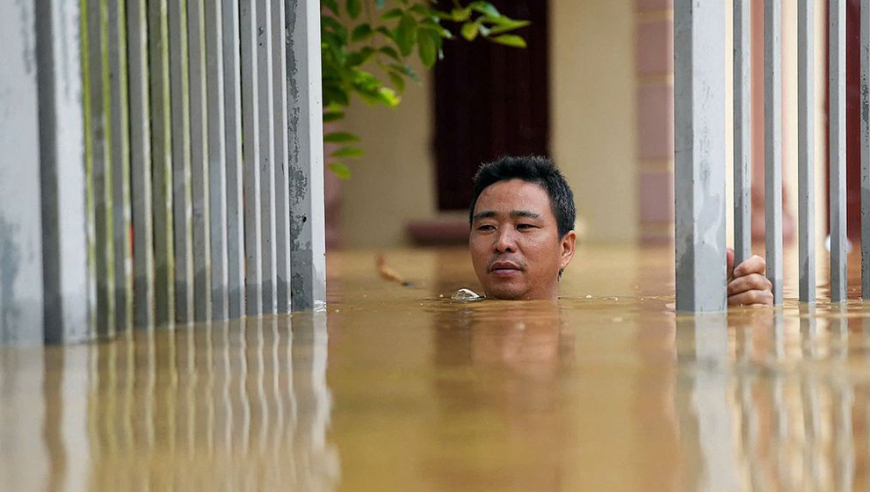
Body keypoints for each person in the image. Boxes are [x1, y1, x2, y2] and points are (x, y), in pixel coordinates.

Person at [468, 156, 774, 305]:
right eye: (486, 227)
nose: (503, 243)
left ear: (566, 248)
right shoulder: (456, 317)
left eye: (524, 226)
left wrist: (728, 310)